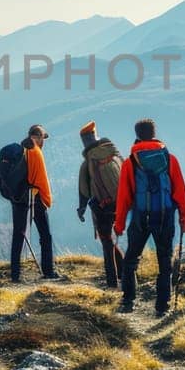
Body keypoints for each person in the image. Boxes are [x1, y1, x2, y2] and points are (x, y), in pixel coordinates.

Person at [114, 118, 185, 316]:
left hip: (140, 218)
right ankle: (162, 307)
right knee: (165, 262)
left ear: (137, 135)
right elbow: (180, 192)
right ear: (154, 133)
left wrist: (120, 223)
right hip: (165, 217)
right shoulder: (169, 158)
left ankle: (128, 301)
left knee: (131, 260)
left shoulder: (131, 162)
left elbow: (124, 197)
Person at [10, 123, 59, 282]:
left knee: (18, 235)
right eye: (42, 138)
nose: (43, 141)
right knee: (45, 235)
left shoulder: (20, 150)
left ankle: (15, 275)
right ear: (36, 137)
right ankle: (48, 272)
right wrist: (46, 199)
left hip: (18, 197)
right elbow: (41, 179)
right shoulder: (35, 151)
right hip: (34, 197)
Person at [77, 121, 123, 288]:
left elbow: (84, 190)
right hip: (123, 204)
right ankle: (126, 272)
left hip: (102, 207)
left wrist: (81, 209)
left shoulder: (87, 163)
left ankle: (112, 282)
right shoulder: (115, 153)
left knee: (106, 241)